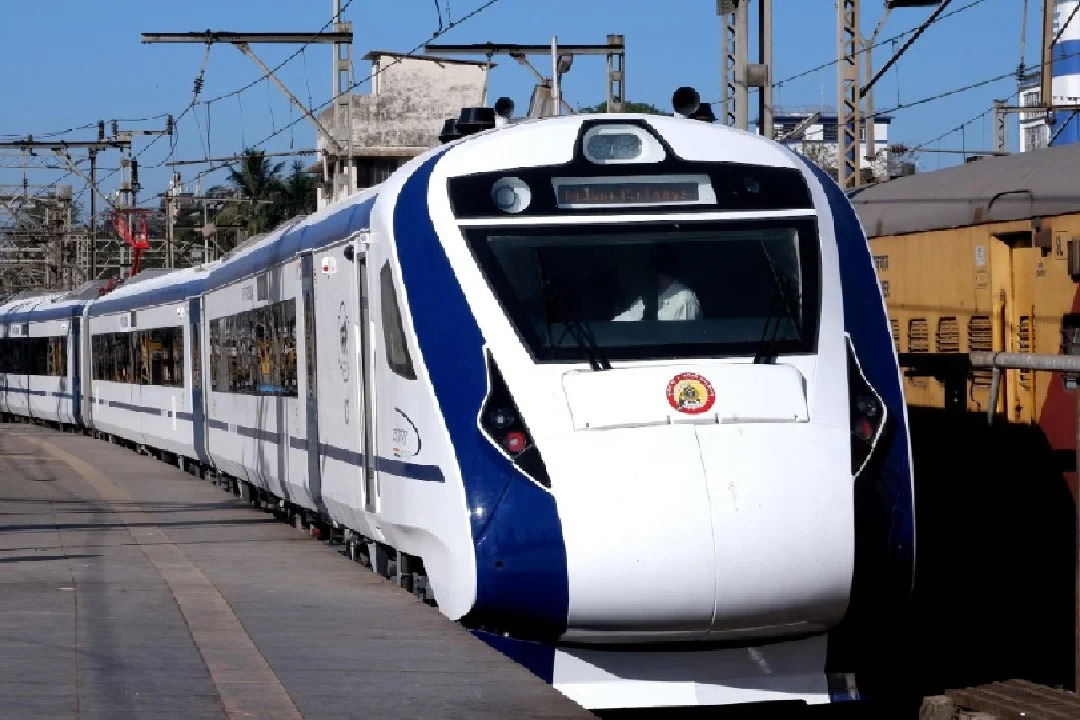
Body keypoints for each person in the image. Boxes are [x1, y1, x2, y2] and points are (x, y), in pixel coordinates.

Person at [613, 255, 702, 321]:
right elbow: (624, 320)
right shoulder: (645, 298)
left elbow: (684, 336)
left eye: (649, 270)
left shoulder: (685, 298)